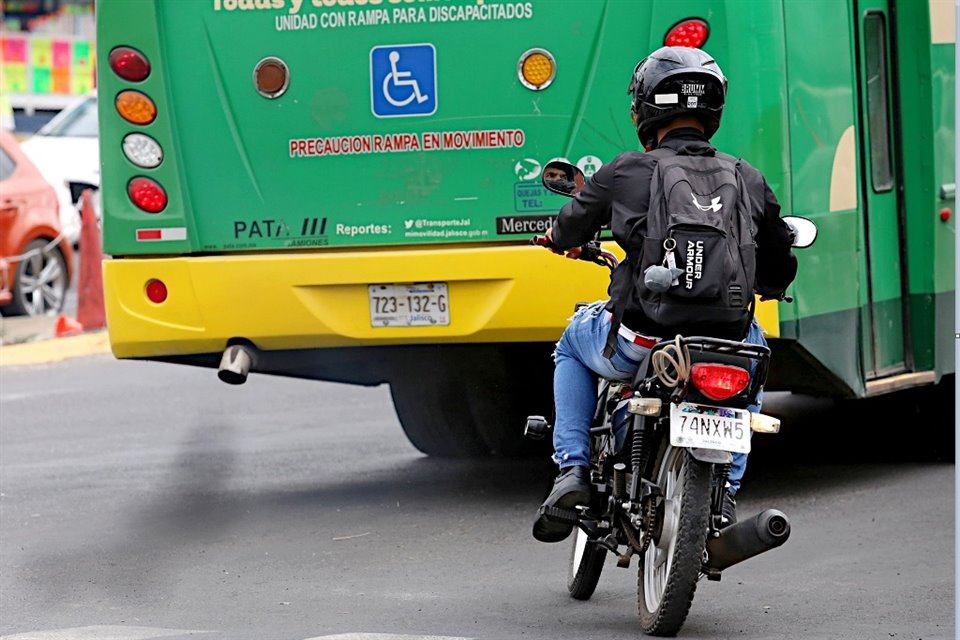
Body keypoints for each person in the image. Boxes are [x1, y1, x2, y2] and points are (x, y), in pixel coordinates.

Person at [532, 46, 798, 543]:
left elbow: (571, 225)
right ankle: (724, 497)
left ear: (646, 109)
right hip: (726, 342)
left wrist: (558, 239)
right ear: (713, 110)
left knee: (572, 340)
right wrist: (771, 286)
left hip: (642, 340)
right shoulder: (747, 176)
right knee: (749, 375)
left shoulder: (626, 170)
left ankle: (572, 469)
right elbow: (780, 256)